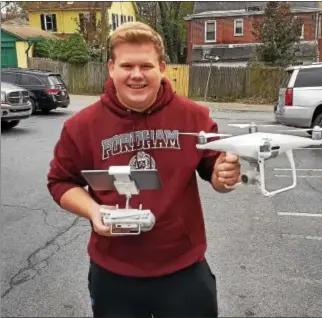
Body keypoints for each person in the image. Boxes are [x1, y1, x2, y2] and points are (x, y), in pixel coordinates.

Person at [47, 21, 241, 318]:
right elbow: (60, 182)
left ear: (162, 67)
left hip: (183, 268)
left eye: (146, 66)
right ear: (111, 68)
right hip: (113, 271)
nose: (136, 75)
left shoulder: (193, 117)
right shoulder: (80, 127)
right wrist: (93, 211)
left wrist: (224, 176)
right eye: (127, 65)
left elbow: (216, 171)